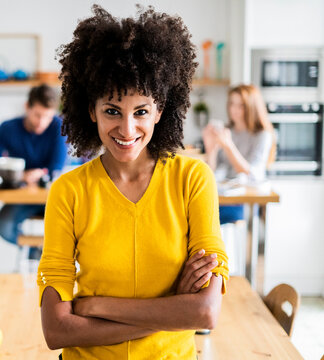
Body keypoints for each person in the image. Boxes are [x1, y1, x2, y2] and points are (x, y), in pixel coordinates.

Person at [38, 6, 229, 359]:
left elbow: (205, 312)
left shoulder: (193, 179)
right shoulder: (69, 191)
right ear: (90, 110)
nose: (127, 130)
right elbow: (56, 330)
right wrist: (174, 309)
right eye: (112, 110)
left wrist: (94, 305)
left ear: (160, 111)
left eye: (141, 111)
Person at [0, 84, 67, 259]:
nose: (41, 122)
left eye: (47, 117)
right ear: (26, 107)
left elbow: (57, 167)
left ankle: (52, 260)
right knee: (3, 226)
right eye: (37, 115)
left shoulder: (59, 127)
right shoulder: (7, 128)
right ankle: (37, 255)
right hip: (21, 198)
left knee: (74, 231)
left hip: (53, 200)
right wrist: (18, 177)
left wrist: (40, 174)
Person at [202, 84, 274, 224]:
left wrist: (228, 145)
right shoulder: (228, 130)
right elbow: (212, 171)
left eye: (241, 105)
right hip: (222, 196)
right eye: (232, 104)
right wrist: (210, 148)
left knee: (203, 219)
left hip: (244, 202)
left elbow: (251, 172)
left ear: (251, 108)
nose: (234, 110)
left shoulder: (262, 135)